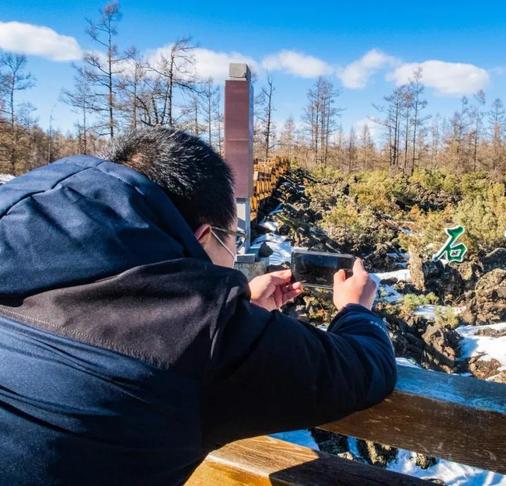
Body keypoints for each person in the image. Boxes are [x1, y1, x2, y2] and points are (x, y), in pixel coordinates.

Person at [0, 127, 397, 485]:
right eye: (233, 241)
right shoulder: (204, 328)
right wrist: (356, 310)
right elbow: (362, 370)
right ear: (205, 235)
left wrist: (246, 312)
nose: (234, 255)